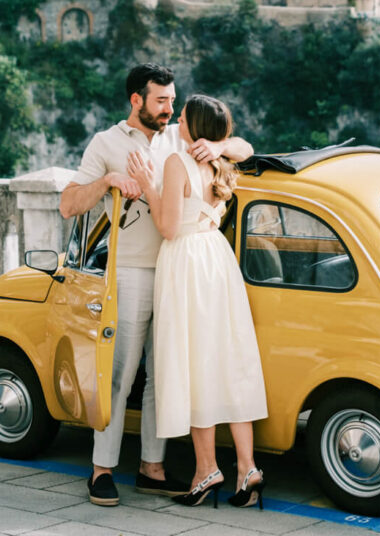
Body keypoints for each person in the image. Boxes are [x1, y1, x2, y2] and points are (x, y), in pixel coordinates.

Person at [59, 64, 254, 508]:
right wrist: (108, 181)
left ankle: (152, 467)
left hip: (176, 271)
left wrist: (220, 144)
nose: (169, 109)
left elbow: (243, 147)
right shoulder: (105, 143)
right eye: (161, 101)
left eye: (172, 101)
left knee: (163, 377)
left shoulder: (180, 137)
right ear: (136, 100)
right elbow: (68, 204)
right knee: (121, 373)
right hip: (129, 270)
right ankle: (102, 469)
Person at [127, 93, 267, 510]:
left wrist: (150, 189)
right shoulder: (220, 162)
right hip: (218, 262)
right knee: (230, 362)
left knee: (193, 364)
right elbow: (245, 147)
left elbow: (168, 227)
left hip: (186, 260)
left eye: (183, 116)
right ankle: (247, 467)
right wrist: (223, 146)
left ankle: (206, 468)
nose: (178, 120)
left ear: (195, 126)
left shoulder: (176, 163)